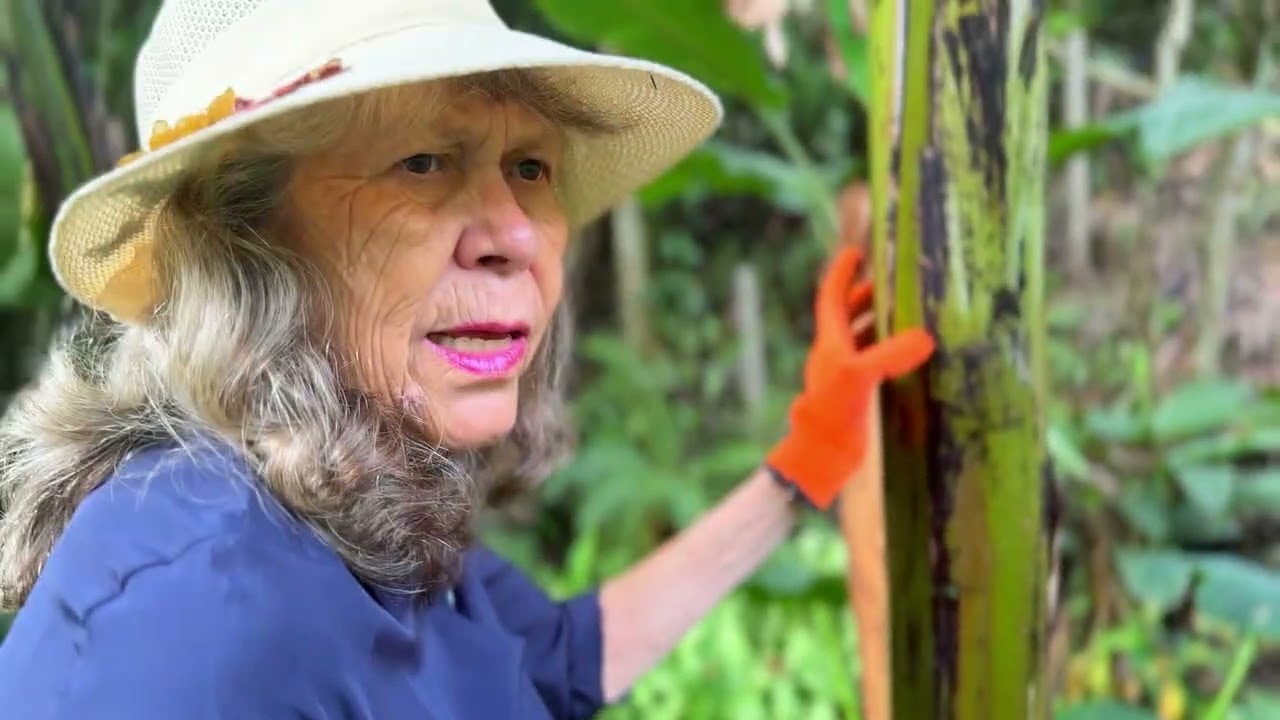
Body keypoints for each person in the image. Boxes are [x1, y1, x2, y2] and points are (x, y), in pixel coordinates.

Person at [0, 0, 934, 718]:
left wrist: (804, 463)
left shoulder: (352, 491)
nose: (516, 234)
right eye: (422, 162)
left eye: (530, 167)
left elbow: (555, 660)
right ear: (247, 241)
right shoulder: (188, 615)